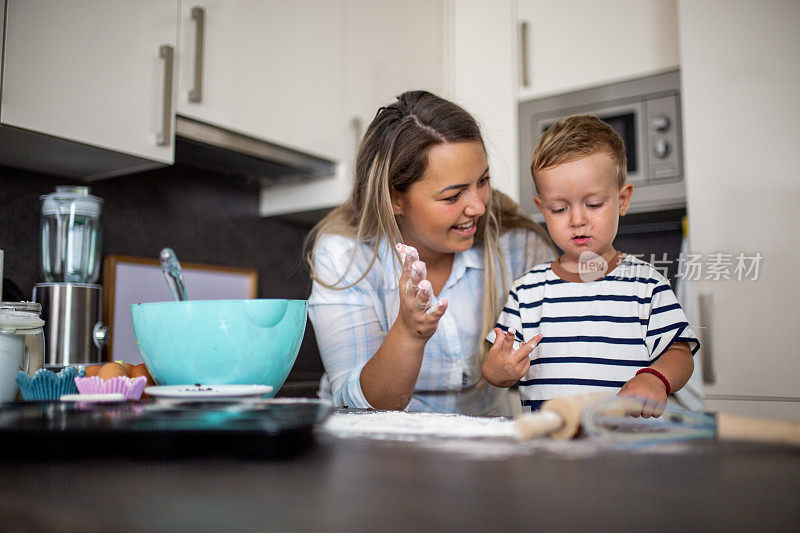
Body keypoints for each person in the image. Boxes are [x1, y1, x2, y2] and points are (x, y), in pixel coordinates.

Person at [306, 91, 555, 415]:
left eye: (483, 181)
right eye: (452, 196)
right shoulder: (345, 255)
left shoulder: (514, 244)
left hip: (482, 452)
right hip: (371, 448)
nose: (478, 206)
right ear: (395, 198)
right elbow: (361, 402)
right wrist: (410, 332)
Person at [483, 115, 699, 418]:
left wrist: (656, 378)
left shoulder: (646, 284)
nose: (577, 220)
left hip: (626, 454)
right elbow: (496, 362)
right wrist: (499, 369)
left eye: (593, 204)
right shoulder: (527, 291)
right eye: (559, 208)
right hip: (550, 452)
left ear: (622, 200)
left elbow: (680, 352)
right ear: (543, 208)